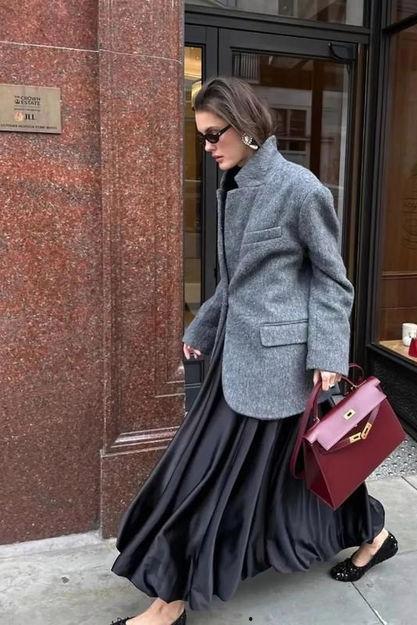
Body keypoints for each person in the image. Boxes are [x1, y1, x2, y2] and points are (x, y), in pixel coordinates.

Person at [109, 76, 398, 625]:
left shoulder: (301, 189)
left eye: (213, 134)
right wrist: (202, 327)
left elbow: (332, 280)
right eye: (201, 136)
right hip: (233, 361)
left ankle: (168, 604)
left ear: (245, 129)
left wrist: (328, 354)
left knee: (207, 477)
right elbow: (235, 280)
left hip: (283, 368)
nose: (207, 146)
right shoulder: (234, 185)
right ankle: (375, 534)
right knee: (300, 474)